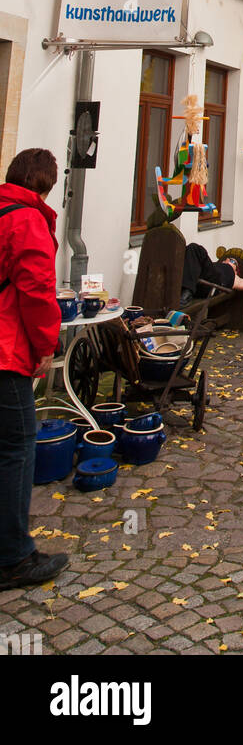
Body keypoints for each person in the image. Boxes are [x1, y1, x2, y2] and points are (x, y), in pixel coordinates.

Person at [0, 148, 68, 590]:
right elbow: (38, 291)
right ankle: (14, 557)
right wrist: (46, 346)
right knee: (16, 449)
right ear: (43, 184)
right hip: (6, 351)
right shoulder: (25, 220)